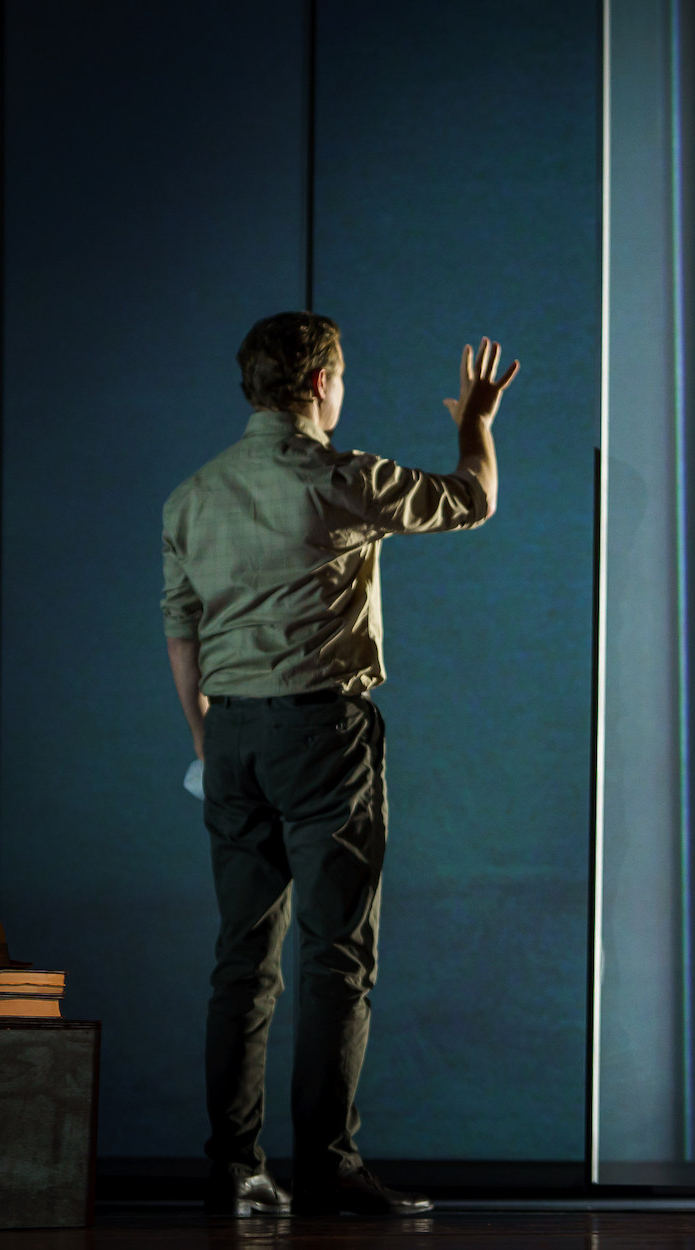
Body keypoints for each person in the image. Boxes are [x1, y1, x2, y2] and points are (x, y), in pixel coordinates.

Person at [162, 313, 518, 1216]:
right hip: (323, 737)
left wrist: (210, 742)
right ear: (321, 382)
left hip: (232, 738)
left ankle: (235, 1169)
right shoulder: (344, 478)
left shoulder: (190, 496)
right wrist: (474, 425)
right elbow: (471, 500)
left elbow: (183, 633)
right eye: (344, 375)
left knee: (242, 963)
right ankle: (326, 1164)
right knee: (335, 960)